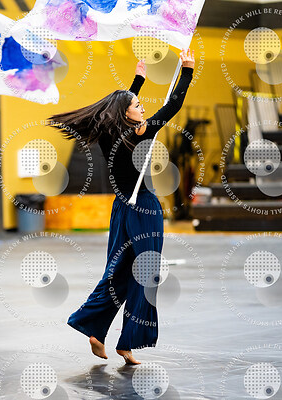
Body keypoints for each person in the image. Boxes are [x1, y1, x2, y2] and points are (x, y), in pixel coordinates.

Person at [49, 49, 195, 364]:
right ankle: (127, 341)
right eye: (138, 106)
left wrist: (137, 82)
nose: (143, 108)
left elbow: (119, 107)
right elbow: (174, 104)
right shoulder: (141, 131)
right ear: (128, 114)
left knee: (118, 271)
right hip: (144, 207)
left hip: (121, 209)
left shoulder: (108, 133)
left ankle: (93, 328)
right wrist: (187, 70)